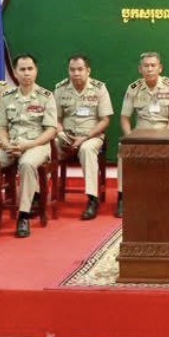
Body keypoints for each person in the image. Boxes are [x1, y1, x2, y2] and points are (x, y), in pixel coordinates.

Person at [0, 54, 58, 238]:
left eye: (30, 69)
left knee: (27, 164)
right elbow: (1, 127)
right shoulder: (6, 97)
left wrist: (28, 145)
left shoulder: (46, 96)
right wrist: (7, 145)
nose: (26, 73)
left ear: (36, 71)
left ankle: (23, 216)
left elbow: (51, 130)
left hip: (37, 145)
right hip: (11, 145)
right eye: (22, 69)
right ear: (15, 73)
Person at [119, 52, 169, 218]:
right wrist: (129, 138)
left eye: (153, 65)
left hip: (166, 131)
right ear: (140, 69)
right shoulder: (134, 88)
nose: (149, 69)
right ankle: (122, 196)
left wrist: (166, 133)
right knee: (122, 149)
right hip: (141, 133)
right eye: (146, 66)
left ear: (160, 68)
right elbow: (124, 118)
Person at [54, 55, 114, 220]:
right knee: (47, 147)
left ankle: (92, 199)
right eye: (72, 70)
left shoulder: (99, 88)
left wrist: (85, 137)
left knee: (86, 149)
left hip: (91, 136)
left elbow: (105, 120)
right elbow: (55, 118)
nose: (76, 73)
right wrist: (61, 133)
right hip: (66, 136)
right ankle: (38, 196)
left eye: (80, 69)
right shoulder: (60, 89)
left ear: (88, 71)